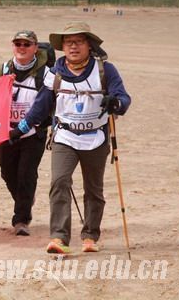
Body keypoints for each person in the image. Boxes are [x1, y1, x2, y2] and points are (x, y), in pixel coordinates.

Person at [10, 21, 131, 254]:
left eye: (78, 41)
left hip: (95, 139)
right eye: (68, 42)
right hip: (65, 137)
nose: (73, 47)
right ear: (62, 47)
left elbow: (123, 98)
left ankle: (90, 235)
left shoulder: (106, 70)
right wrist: (21, 129)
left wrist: (116, 103)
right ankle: (59, 238)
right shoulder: (55, 74)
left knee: (93, 190)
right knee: (59, 183)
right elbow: (41, 106)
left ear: (89, 45)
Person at [0, 30, 51, 236]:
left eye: (27, 44)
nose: (22, 47)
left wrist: (24, 127)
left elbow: (44, 105)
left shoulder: (46, 74)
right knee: (7, 172)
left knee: (26, 174)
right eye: (18, 43)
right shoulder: (4, 69)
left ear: (35, 48)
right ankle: (25, 199)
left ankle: (21, 220)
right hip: (7, 132)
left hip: (32, 133)